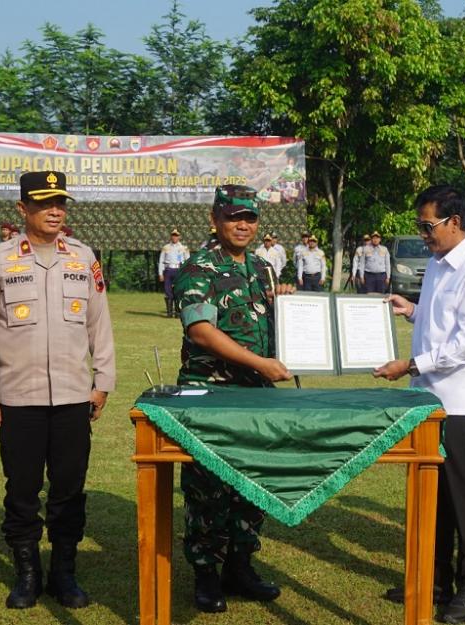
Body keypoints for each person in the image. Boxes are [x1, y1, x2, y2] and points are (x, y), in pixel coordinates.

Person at [0, 171, 116, 610]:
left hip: (73, 397)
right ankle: (28, 575)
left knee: (69, 489)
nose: (55, 211)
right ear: (22, 209)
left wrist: (103, 381)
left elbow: (100, 325)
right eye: (44, 203)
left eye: (60, 203)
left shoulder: (83, 258)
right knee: (22, 490)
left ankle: (64, 573)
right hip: (19, 398)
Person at [374, 185, 465, 625]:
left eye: (428, 226)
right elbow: (440, 320)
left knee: (463, 500)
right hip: (425, 399)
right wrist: (411, 310)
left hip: (458, 403)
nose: (423, 235)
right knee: (431, 495)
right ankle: (434, 580)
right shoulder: (437, 262)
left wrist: (409, 364)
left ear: (455, 222)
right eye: (420, 226)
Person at [172, 184, 293, 614]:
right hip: (212, 394)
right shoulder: (198, 267)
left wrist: (291, 311)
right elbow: (201, 331)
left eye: (250, 217)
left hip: (256, 396)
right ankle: (206, 573)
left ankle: (240, 566)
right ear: (215, 219)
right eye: (233, 217)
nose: (243, 225)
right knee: (208, 487)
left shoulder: (263, 268)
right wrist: (260, 364)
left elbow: (273, 326)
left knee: (252, 483)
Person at [159, 228, 190, 318]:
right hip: (168, 270)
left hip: (179, 270)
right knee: (168, 291)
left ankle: (177, 312)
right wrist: (160, 273)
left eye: (176, 235)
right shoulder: (166, 247)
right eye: (173, 235)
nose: (174, 237)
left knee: (178, 291)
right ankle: (169, 312)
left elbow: (188, 261)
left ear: (179, 237)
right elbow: (161, 261)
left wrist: (187, 273)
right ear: (171, 236)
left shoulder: (183, 248)